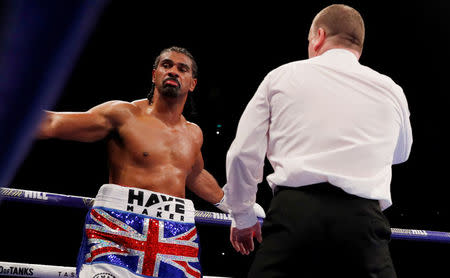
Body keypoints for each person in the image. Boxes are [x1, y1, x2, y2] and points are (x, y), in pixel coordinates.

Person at [37, 46, 264, 278]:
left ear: (192, 83)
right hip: (118, 226)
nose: (173, 71)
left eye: (182, 68)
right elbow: (52, 123)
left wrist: (235, 206)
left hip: (176, 234)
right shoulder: (123, 115)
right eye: (166, 65)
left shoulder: (193, 133)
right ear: (154, 74)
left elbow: (194, 174)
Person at [222, 4, 412, 278]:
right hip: (363, 225)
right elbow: (400, 154)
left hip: (294, 218)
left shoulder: (282, 76)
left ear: (319, 36)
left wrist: (242, 216)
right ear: (358, 45)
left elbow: (242, 153)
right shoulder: (391, 90)